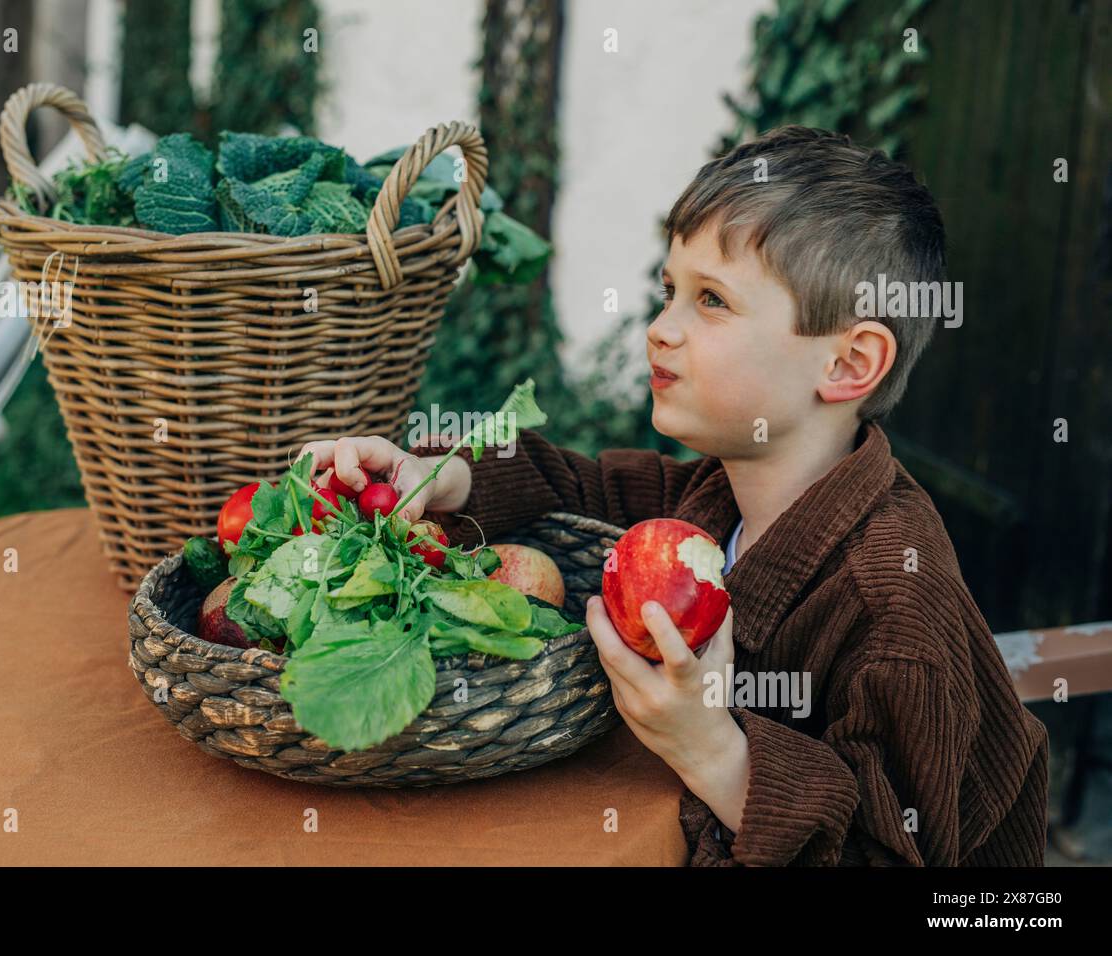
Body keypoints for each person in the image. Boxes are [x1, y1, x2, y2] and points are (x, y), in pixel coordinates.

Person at [298, 126, 1048, 866]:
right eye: (669, 292)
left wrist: (717, 752)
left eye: (712, 301)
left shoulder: (896, 611)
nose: (660, 330)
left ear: (850, 362)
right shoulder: (712, 496)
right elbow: (573, 484)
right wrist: (437, 477)